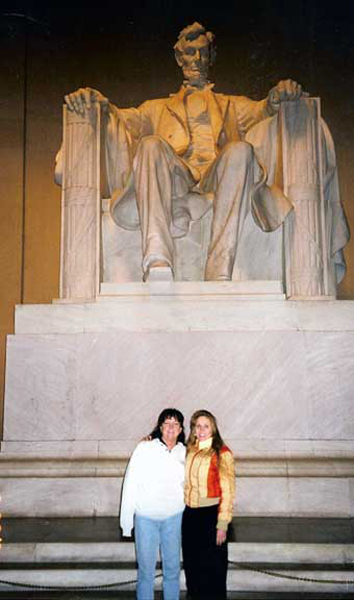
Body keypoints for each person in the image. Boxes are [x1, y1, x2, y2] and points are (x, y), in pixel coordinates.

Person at [64, 22, 305, 283]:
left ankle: (219, 268)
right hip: (177, 177)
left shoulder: (231, 105)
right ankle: (157, 260)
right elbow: (122, 119)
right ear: (179, 57)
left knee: (240, 150)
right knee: (150, 145)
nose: (197, 60)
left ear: (212, 57)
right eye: (190, 52)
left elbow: (263, 110)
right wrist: (100, 103)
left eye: (203, 53)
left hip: (217, 176)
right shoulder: (157, 108)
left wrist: (277, 97)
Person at [120, 408, 185, 600]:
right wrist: (126, 523)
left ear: (181, 429)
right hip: (146, 519)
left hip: (174, 518)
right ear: (160, 427)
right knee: (146, 572)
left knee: (172, 570)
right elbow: (130, 483)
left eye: (175, 424)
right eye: (166, 423)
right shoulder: (144, 448)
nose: (171, 428)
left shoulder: (186, 452)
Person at [182, 409, 235, 599]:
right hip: (189, 515)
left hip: (211, 516)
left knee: (214, 570)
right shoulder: (188, 450)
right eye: (198, 426)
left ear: (213, 429)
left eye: (206, 426)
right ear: (193, 429)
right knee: (192, 567)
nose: (202, 430)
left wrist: (222, 524)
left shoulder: (222, 452)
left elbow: (228, 491)